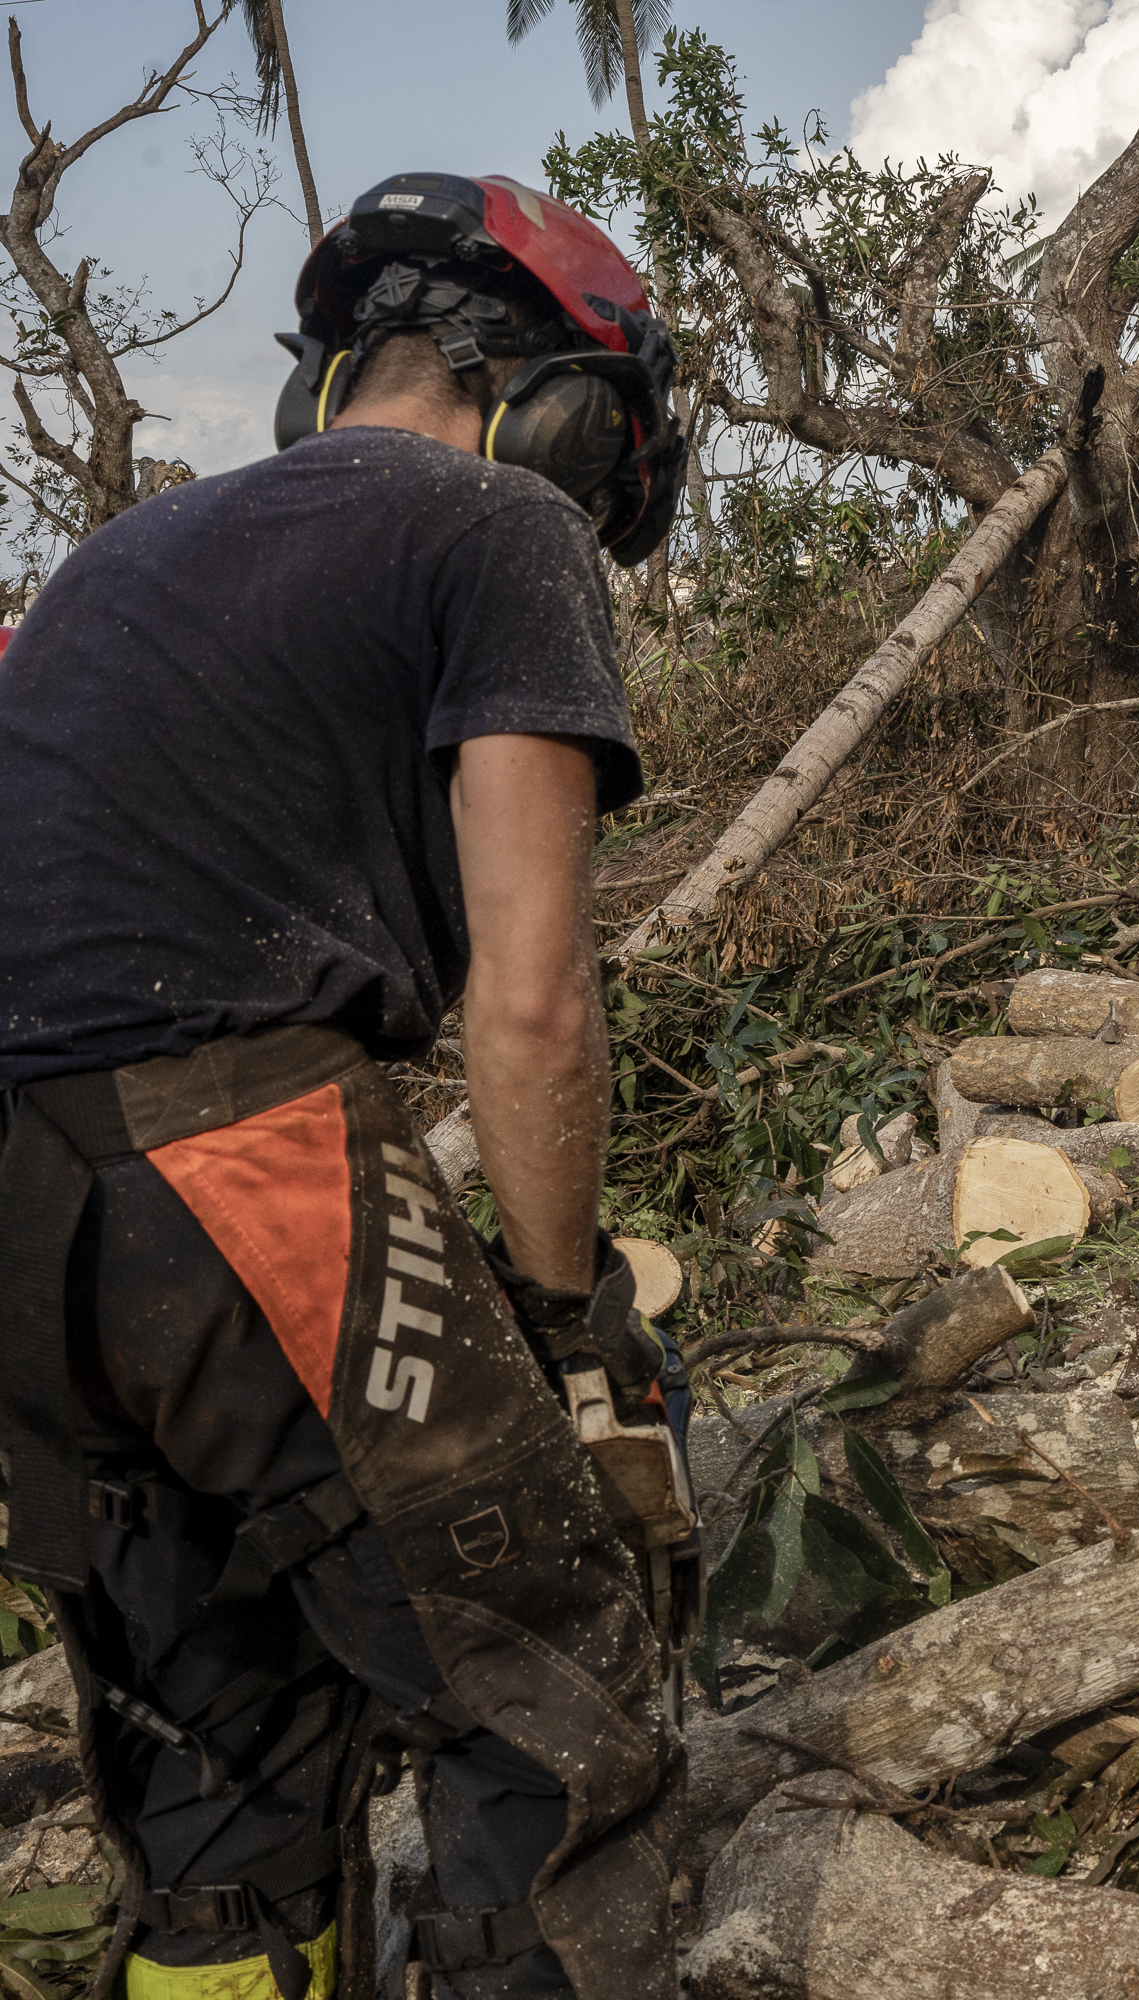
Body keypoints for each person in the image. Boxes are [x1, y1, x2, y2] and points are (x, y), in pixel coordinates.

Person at [0, 172, 689, 2000]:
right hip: (235, 1145)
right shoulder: (496, 528)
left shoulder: (112, 561)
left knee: (214, 1768)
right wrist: (558, 1310)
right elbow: (530, 1001)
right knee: (550, 1686)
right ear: (547, 397)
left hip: (20, 1207)